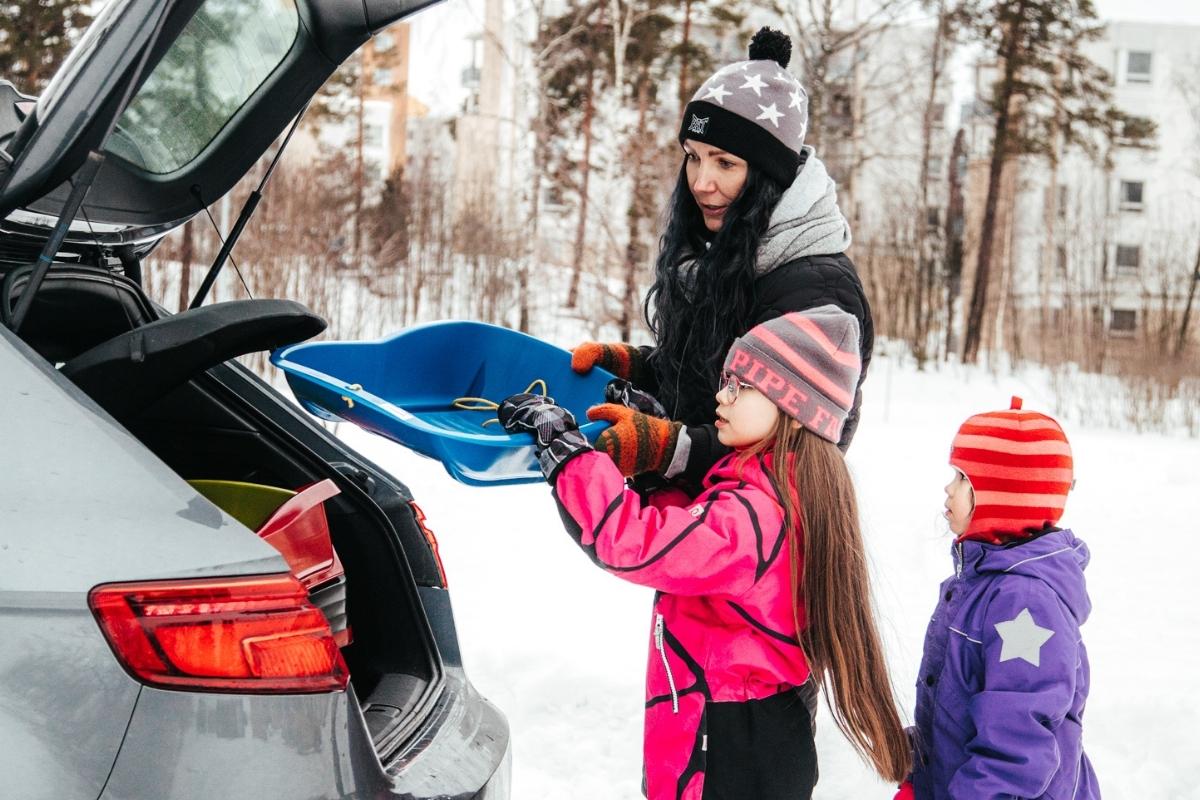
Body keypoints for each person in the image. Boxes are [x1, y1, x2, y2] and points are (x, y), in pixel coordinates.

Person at [498, 306, 909, 800]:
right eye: (726, 381)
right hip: (743, 732)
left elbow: (633, 542)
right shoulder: (777, 487)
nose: (722, 396)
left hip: (727, 750)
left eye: (741, 386)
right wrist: (654, 472)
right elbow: (691, 544)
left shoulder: (758, 512)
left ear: (793, 408)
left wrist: (564, 452)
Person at [571, 26, 873, 491]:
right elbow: (713, 383)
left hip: (748, 546)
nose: (700, 182)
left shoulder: (815, 290)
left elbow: (791, 455)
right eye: (693, 157)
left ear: (768, 177)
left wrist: (665, 449)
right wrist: (635, 365)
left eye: (725, 163)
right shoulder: (730, 252)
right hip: (694, 524)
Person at [896, 397, 1098, 799]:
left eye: (961, 478)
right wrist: (920, 769)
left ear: (1002, 496)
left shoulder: (1025, 601)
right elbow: (961, 703)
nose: (948, 488)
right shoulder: (984, 583)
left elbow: (1016, 749)